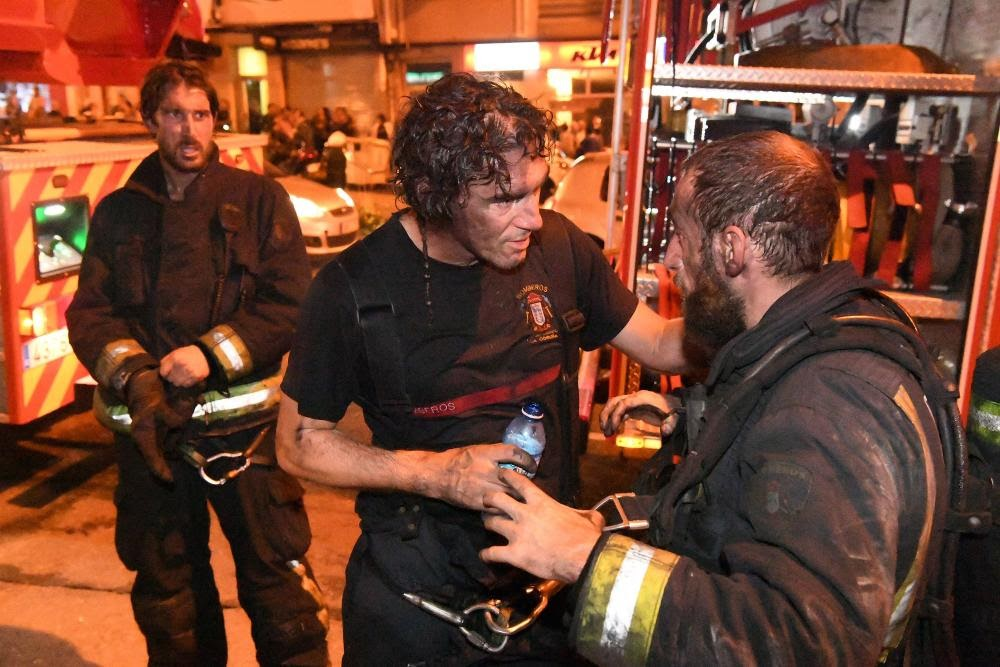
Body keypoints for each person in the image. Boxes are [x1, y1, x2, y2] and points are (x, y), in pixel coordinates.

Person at [480, 131, 951, 665]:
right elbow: (727, 517)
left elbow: (803, 645)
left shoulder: (824, 408)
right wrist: (610, 520)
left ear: (731, 248)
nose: (671, 257)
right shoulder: (797, 350)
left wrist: (585, 559)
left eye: (681, 235)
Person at [276, 72, 682, 665]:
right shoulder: (351, 290)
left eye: (537, 192)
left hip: (543, 605)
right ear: (432, 193)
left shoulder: (562, 250)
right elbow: (296, 443)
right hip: (414, 613)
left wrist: (767, 297)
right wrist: (434, 473)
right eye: (504, 199)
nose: (533, 218)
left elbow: (668, 345)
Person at [65, 61, 328, 665]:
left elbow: (290, 303)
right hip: (151, 443)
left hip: (245, 441)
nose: (190, 130)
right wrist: (134, 376)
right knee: (170, 599)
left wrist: (209, 356)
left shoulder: (258, 200)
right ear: (151, 121)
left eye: (201, 115)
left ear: (216, 120)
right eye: (175, 115)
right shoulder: (117, 213)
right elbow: (91, 313)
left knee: (281, 596)